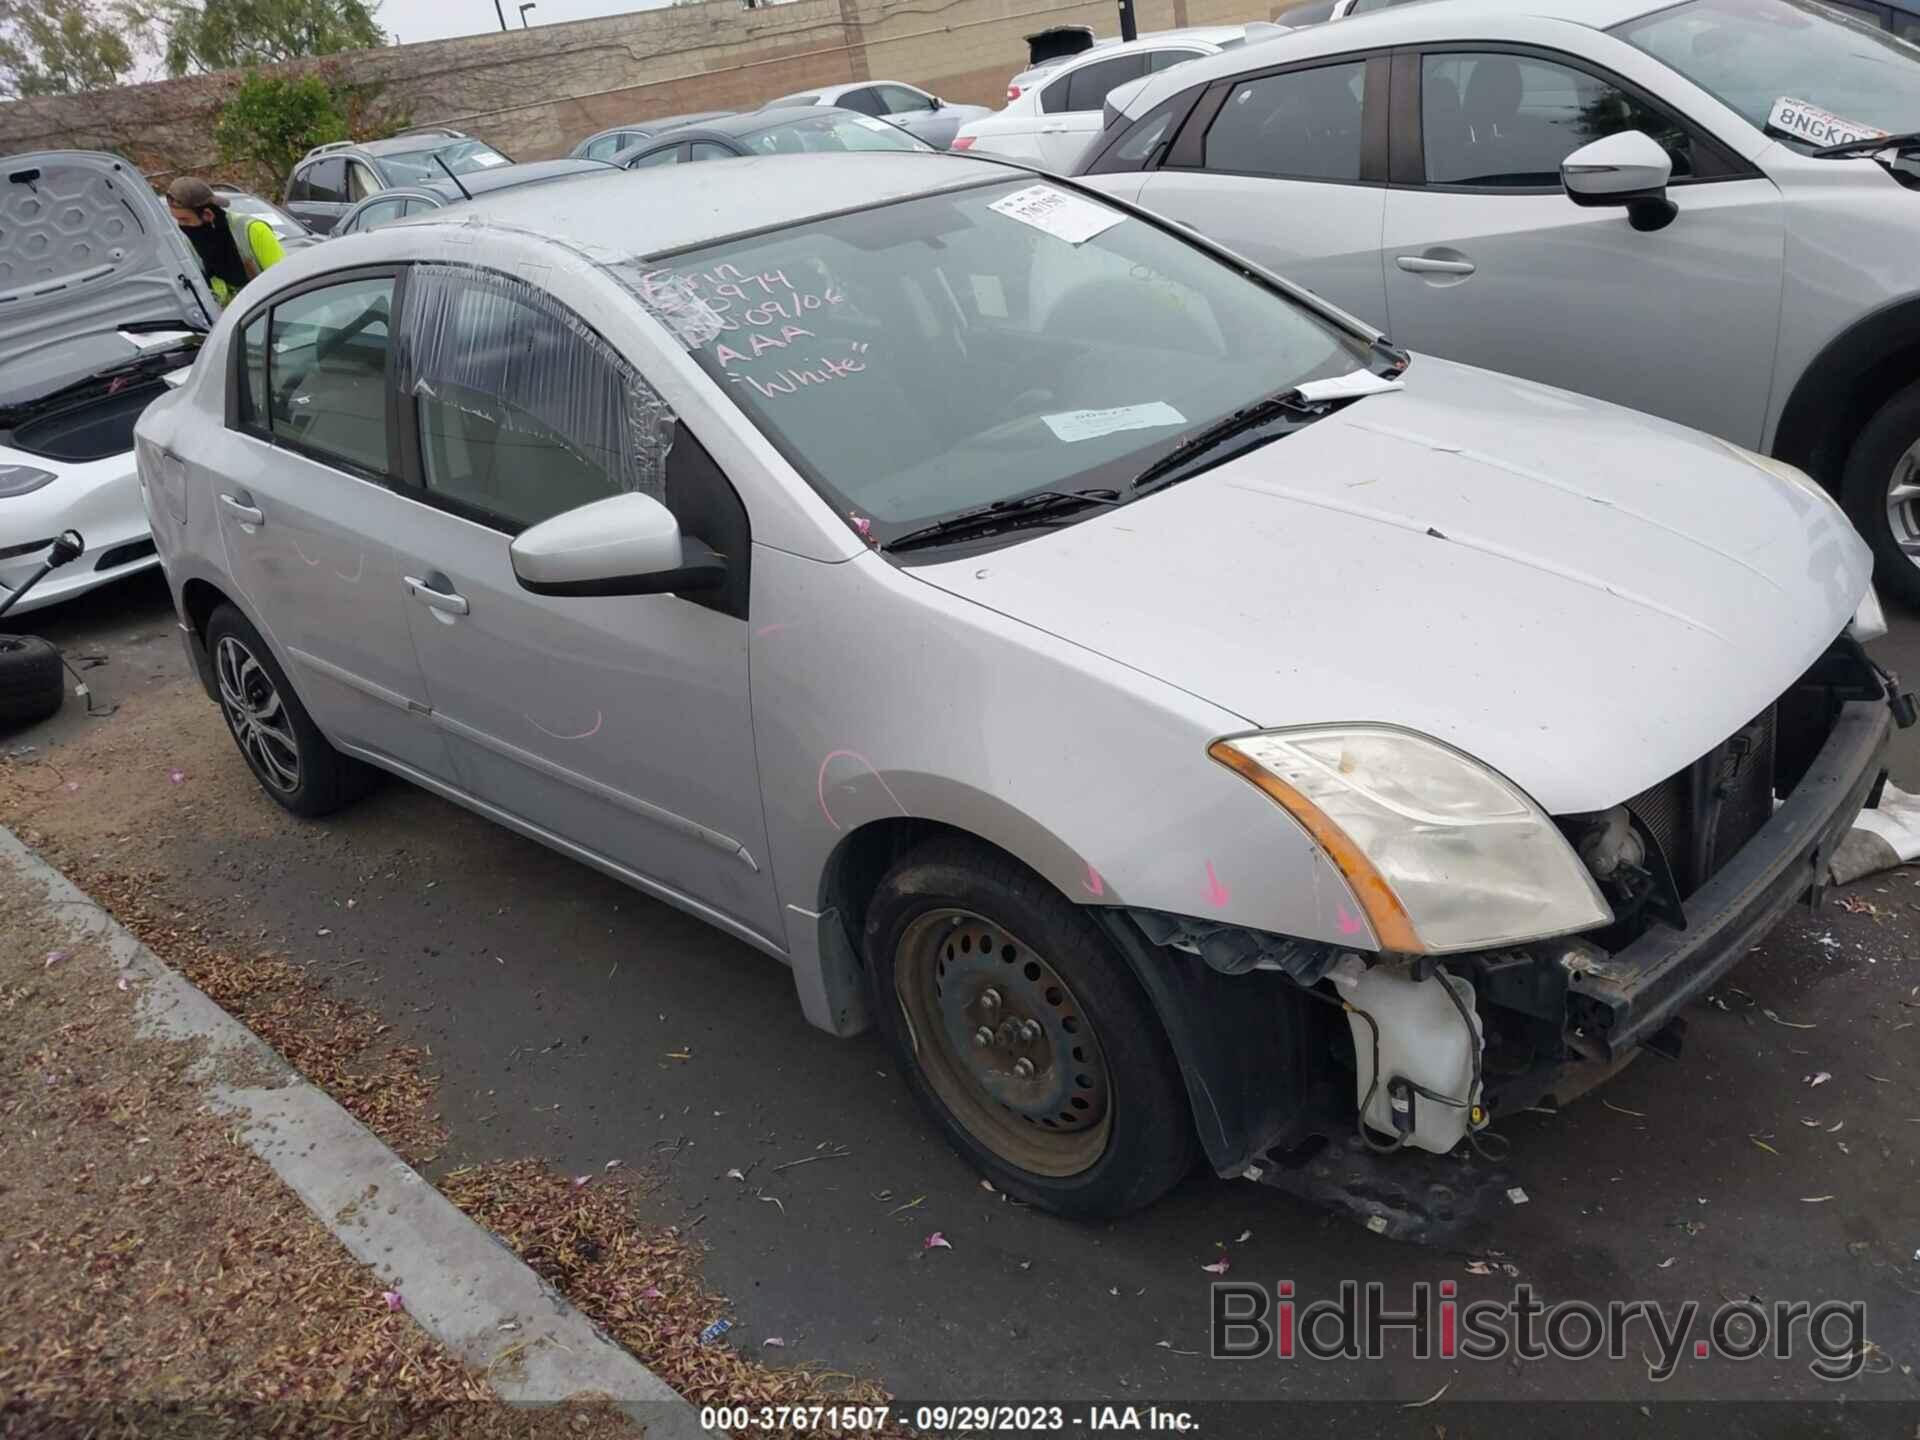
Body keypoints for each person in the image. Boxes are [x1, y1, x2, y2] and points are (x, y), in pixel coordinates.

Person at [166, 176, 285, 306]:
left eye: (185, 219)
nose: (180, 225)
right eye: (177, 219)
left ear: (208, 215)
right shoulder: (191, 245)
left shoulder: (253, 230)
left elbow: (283, 281)